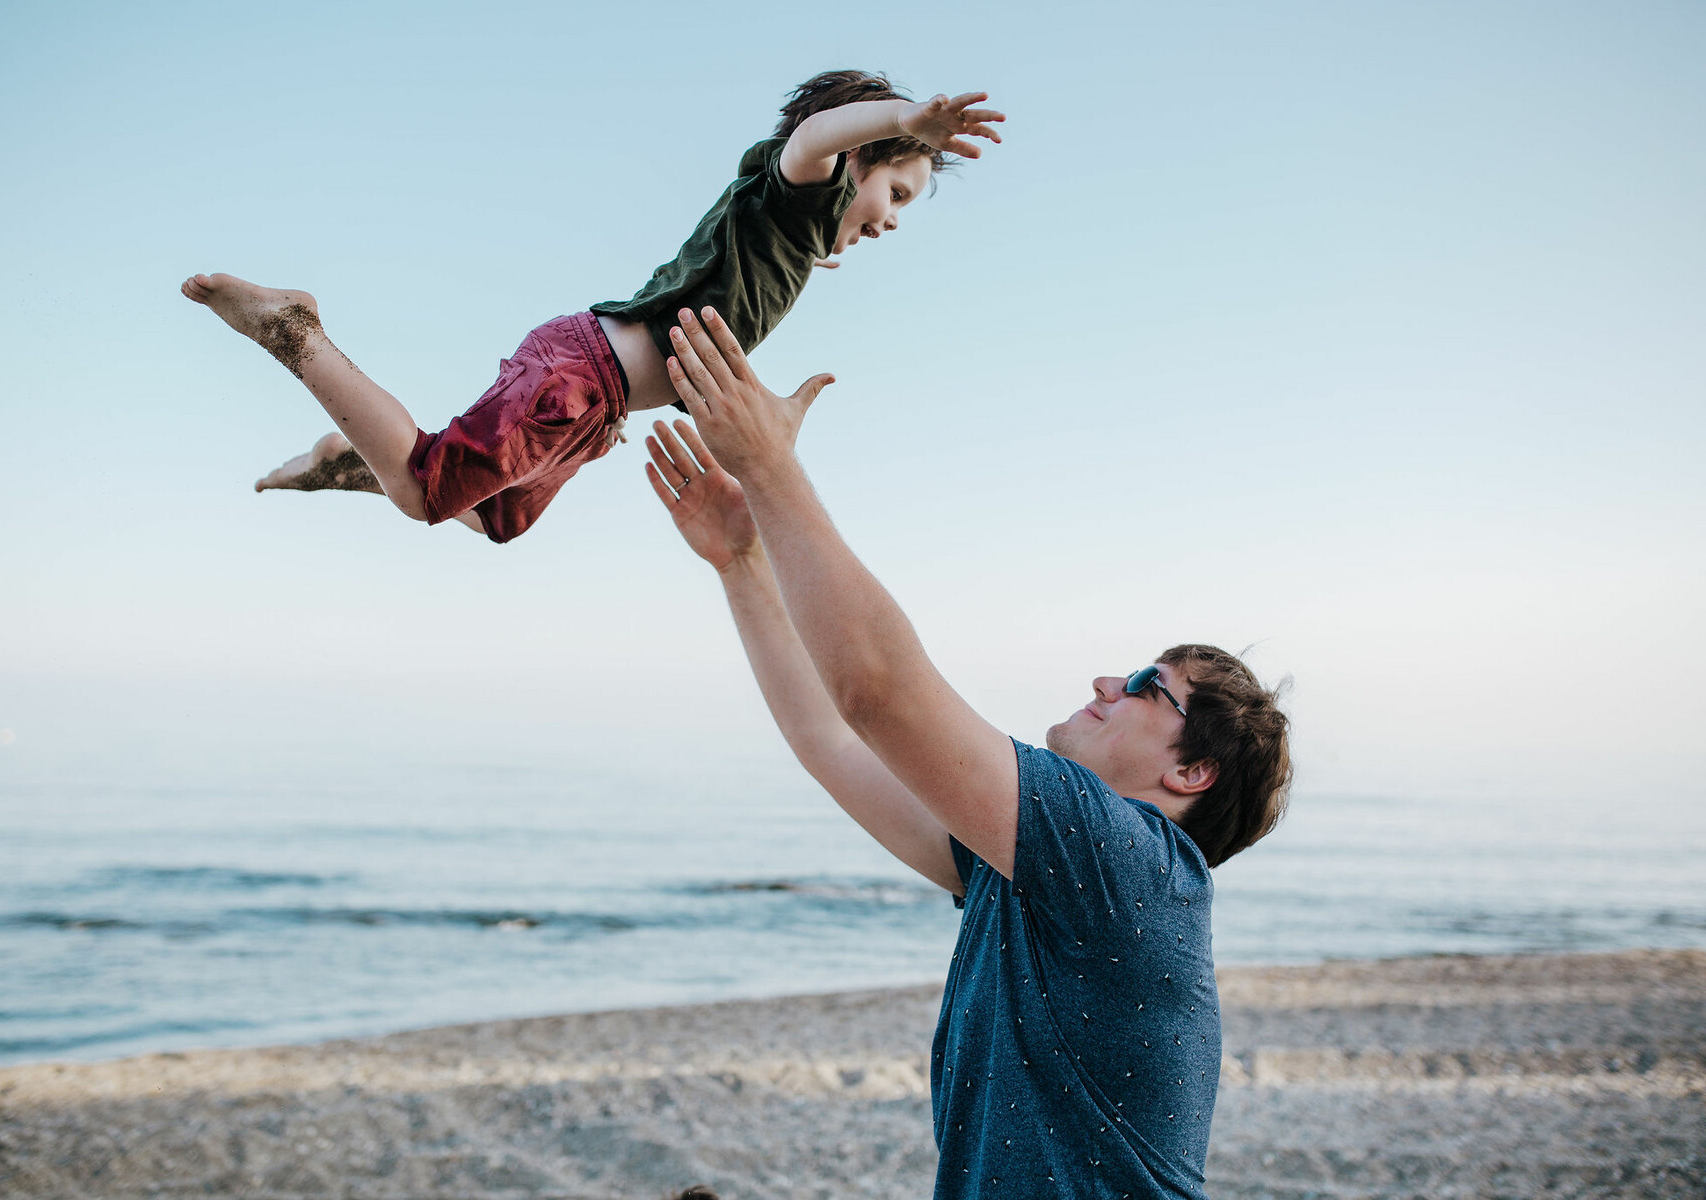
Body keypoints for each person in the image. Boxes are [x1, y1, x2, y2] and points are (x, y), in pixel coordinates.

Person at [644, 308, 1294, 1198]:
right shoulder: (1028, 871)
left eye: (1147, 683)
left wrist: (768, 465)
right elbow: (834, 739)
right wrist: (742, 566)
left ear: (1190, 773)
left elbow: (877, 690)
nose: (1108, 682)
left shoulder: (1132, 864)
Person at [180, 71, 1003, 543]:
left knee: (497, 519)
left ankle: (344, 463)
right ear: (858, 160)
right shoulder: (795, 199)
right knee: (429, 492)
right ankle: (295, 331)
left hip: (596, 404)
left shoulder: (784, 254)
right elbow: (816, 135)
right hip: (580, 374)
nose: (891, 220)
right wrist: (909, 118)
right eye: (895, 191)